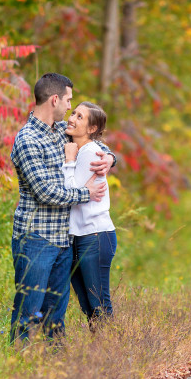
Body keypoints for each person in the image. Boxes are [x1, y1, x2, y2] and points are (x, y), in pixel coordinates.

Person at [9, 73, 115, 343]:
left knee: (55, 317)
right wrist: (86, 193)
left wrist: (111, 158)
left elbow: (95, 143)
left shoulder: (60, 131)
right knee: (28, 310)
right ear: (54, 99)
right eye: (68, 101)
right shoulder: (27, 139)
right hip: (36, 238)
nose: (70, 108)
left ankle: (55, 369)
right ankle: (18, 367)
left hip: (63, 240)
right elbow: (45, 192)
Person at [62, 102, 117, 324]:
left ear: (92, 128)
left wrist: (69, 160)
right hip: (79, 237)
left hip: (95, 236)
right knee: (88, 305)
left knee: (99, 305)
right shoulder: (81, 147)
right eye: (73, 112)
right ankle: (101, 353)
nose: (72, 118)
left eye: (80, 117)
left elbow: (71, 191)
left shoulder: (90, 153)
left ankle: (111, 353)